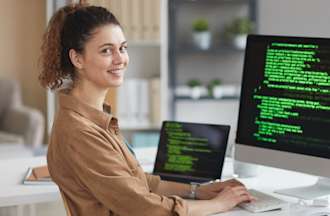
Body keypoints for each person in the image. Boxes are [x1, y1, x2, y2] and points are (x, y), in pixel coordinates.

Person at [39, 3, 254, 216]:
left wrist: (197, 191)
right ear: (77, 58)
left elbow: (138, 183)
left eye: (122, 48)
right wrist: (219, 204)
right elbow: (144, 207)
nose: (120, 59)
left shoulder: (96, 118)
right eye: (106, 50)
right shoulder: (80, 133)